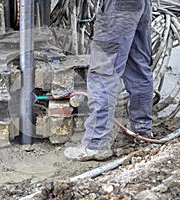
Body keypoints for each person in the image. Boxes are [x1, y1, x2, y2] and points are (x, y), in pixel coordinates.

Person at [64, 0, 153, 161]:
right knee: (138, 66)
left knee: (103, 72)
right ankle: (142, 129)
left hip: (118, 8)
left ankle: (96, 144)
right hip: (141, 4)